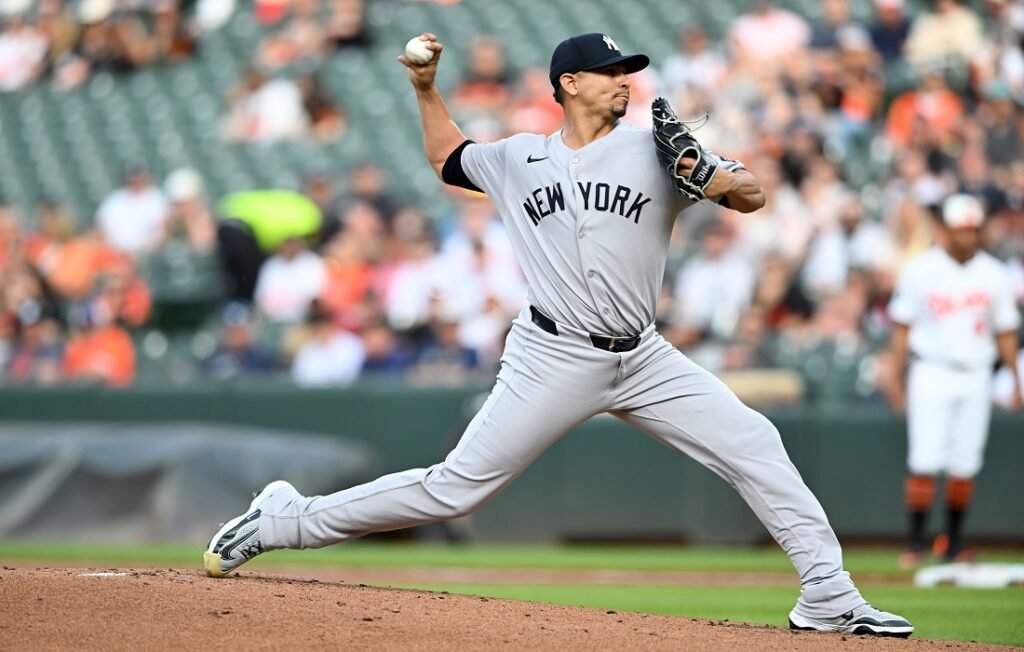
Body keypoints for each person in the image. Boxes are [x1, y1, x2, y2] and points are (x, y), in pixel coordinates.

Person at [203, 32, 913, 638]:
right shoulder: (518, 158)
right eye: (612, 74)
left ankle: (827, 593)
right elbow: (449, 157)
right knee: (454, 489)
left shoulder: (654, 150)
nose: (625, 84)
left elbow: (752, 194)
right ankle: (285, 520)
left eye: (628, 74)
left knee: (752, 441)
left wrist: (710, 175)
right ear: (569, 83)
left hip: (643, 356)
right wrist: (425, 88)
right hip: (552, 354)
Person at [886, 194, 1021, 568]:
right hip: (932, 369)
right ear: (945, 230)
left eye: (975, 229)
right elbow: (901, 328)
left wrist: (1014, 378)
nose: (970, 236)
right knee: (925, 458)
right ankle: (915, 542)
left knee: (965, 462)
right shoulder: (920, 269)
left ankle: (953, 541)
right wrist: (895, 376)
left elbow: (1006, 331)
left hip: (977, 372)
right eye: (963, 229)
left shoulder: (994, 273)